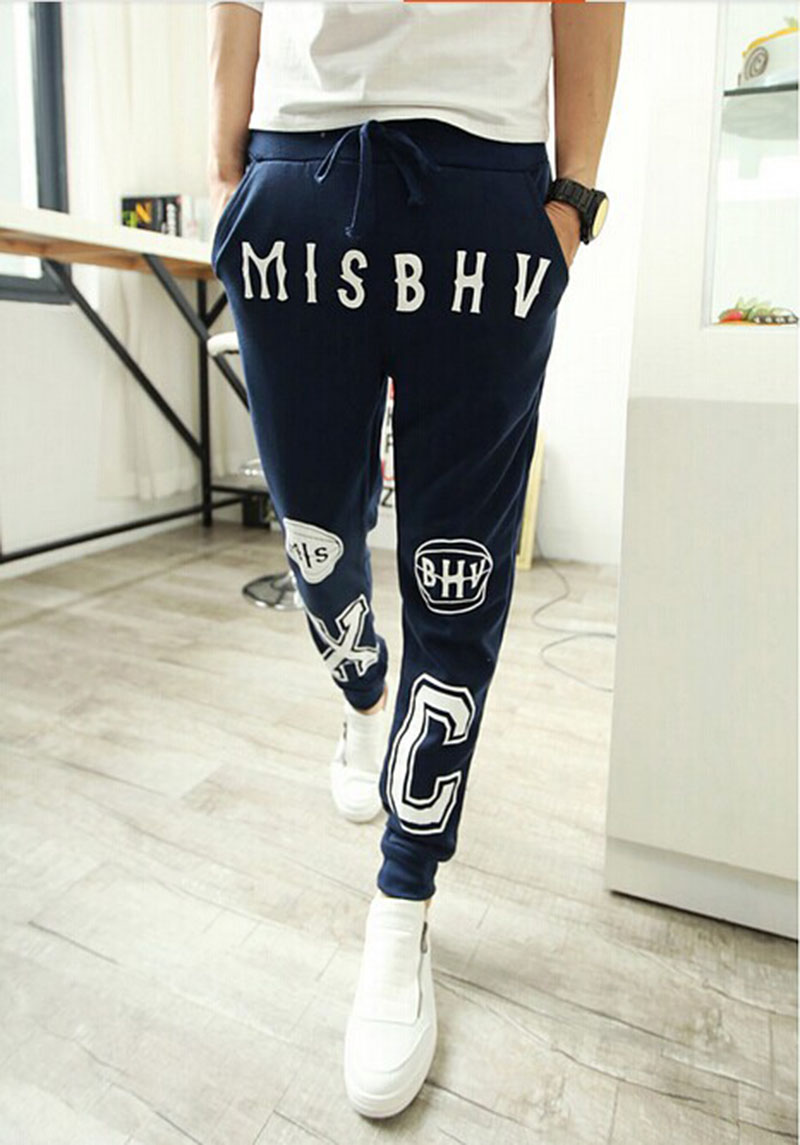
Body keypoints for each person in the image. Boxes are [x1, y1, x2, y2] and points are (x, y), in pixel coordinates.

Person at [207, 0, 624, 1119]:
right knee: (314, 532)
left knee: (459, 564)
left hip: (485, 171)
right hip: (296, 164)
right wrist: (226, 172)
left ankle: (403, 896)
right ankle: (361, 690)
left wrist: (572, 196)